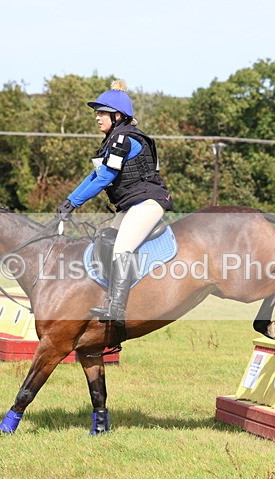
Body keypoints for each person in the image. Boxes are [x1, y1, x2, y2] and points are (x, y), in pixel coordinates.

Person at [56, 80, 173, 327]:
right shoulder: (112, 139)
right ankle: (110, 296)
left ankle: (117, 308)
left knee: (121, 248)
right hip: (133, 205)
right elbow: (95, 176)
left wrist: (74, 203)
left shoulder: (124, 140)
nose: (97, 118)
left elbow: (106, 178)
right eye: (96, 113)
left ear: (117, 115)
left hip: (148, 203)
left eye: (102, 113)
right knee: (103, 238)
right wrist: (69, 200)